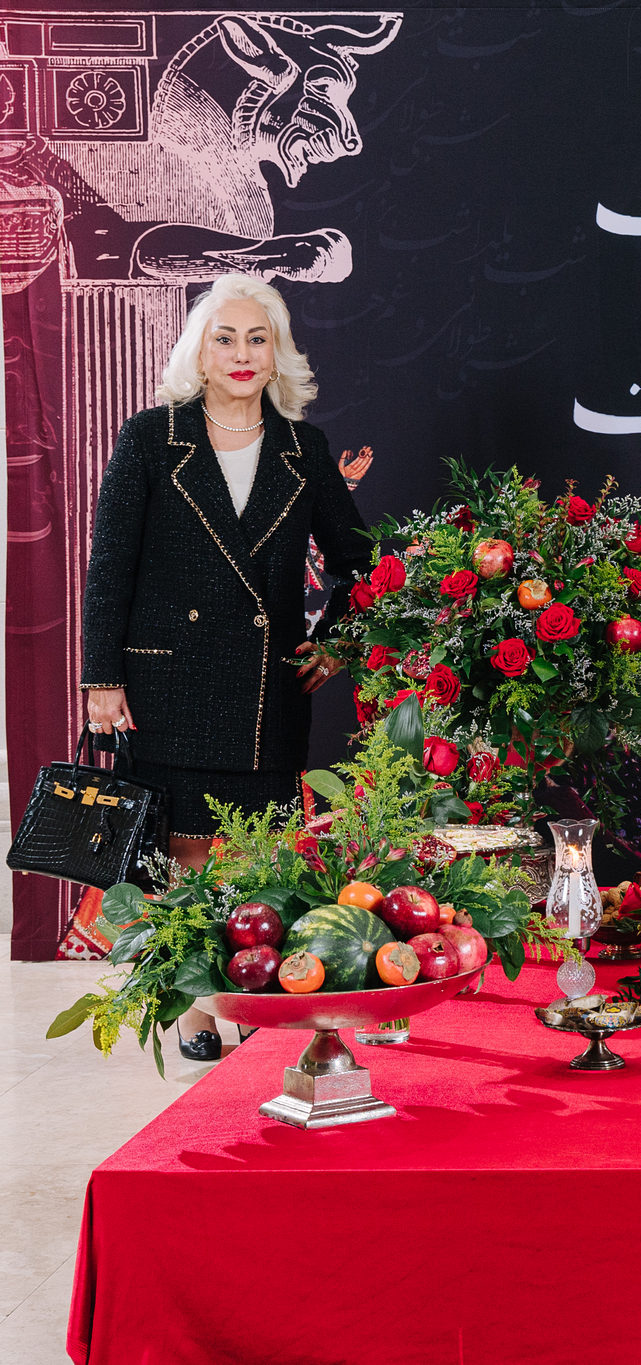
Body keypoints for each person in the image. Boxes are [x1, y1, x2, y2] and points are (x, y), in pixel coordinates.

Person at [78, 273, 371, 1060]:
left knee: (253, 859)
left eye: (257, 338)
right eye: (225, 337)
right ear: (199, 353)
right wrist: (101, 676)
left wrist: (337, 639)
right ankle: (197, 1009)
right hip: (166, 683)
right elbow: (110, 565)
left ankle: (245, 997)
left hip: (265, 688)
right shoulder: (152, 437)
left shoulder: (303, 448)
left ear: (278, 354)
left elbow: (361, 565)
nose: (242, 353)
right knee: (183, 856)